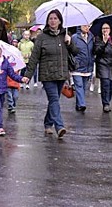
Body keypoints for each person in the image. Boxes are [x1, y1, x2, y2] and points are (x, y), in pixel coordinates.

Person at [22, 9, 76, 138]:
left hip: (61, 74)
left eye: (55, 18)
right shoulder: (41, 37)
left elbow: (76, 52)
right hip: (47, 75)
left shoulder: (65, 36)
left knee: (54, 101)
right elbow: (34, 57)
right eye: (50, 18)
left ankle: (47, 124)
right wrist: (28, 75)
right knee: (53, 99)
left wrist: (70, 43)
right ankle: (59, 126)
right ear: (47, 21)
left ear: (60, 21)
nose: (53, 21)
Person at [0, 44, 27, 136]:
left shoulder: (5, 62)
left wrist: (21, 79)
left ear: (1, 51)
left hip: (3, 88)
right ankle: (0, 127)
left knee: (0, 107)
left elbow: (12, 74)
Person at [94, 23, 112, 112]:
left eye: (107, 28)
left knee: (111, 84)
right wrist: (104, 42)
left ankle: (108, 101)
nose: (105, 30)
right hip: (103, 63)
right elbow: (96, 51)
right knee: (105, 83)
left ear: (110, 29)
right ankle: (105, 103)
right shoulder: (98, 38)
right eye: (103, 28)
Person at [70, 25, 94, 112]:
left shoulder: (92, 37)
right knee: (79, 86)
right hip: (77, 66)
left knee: (83, 87)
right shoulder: (74, 37)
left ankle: (78, 104)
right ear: (80, 26)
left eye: (88, 26)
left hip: (87, 66)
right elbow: (71, 51)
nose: (87, 27)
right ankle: (82, 104)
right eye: (84, 26)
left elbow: (93, 50)